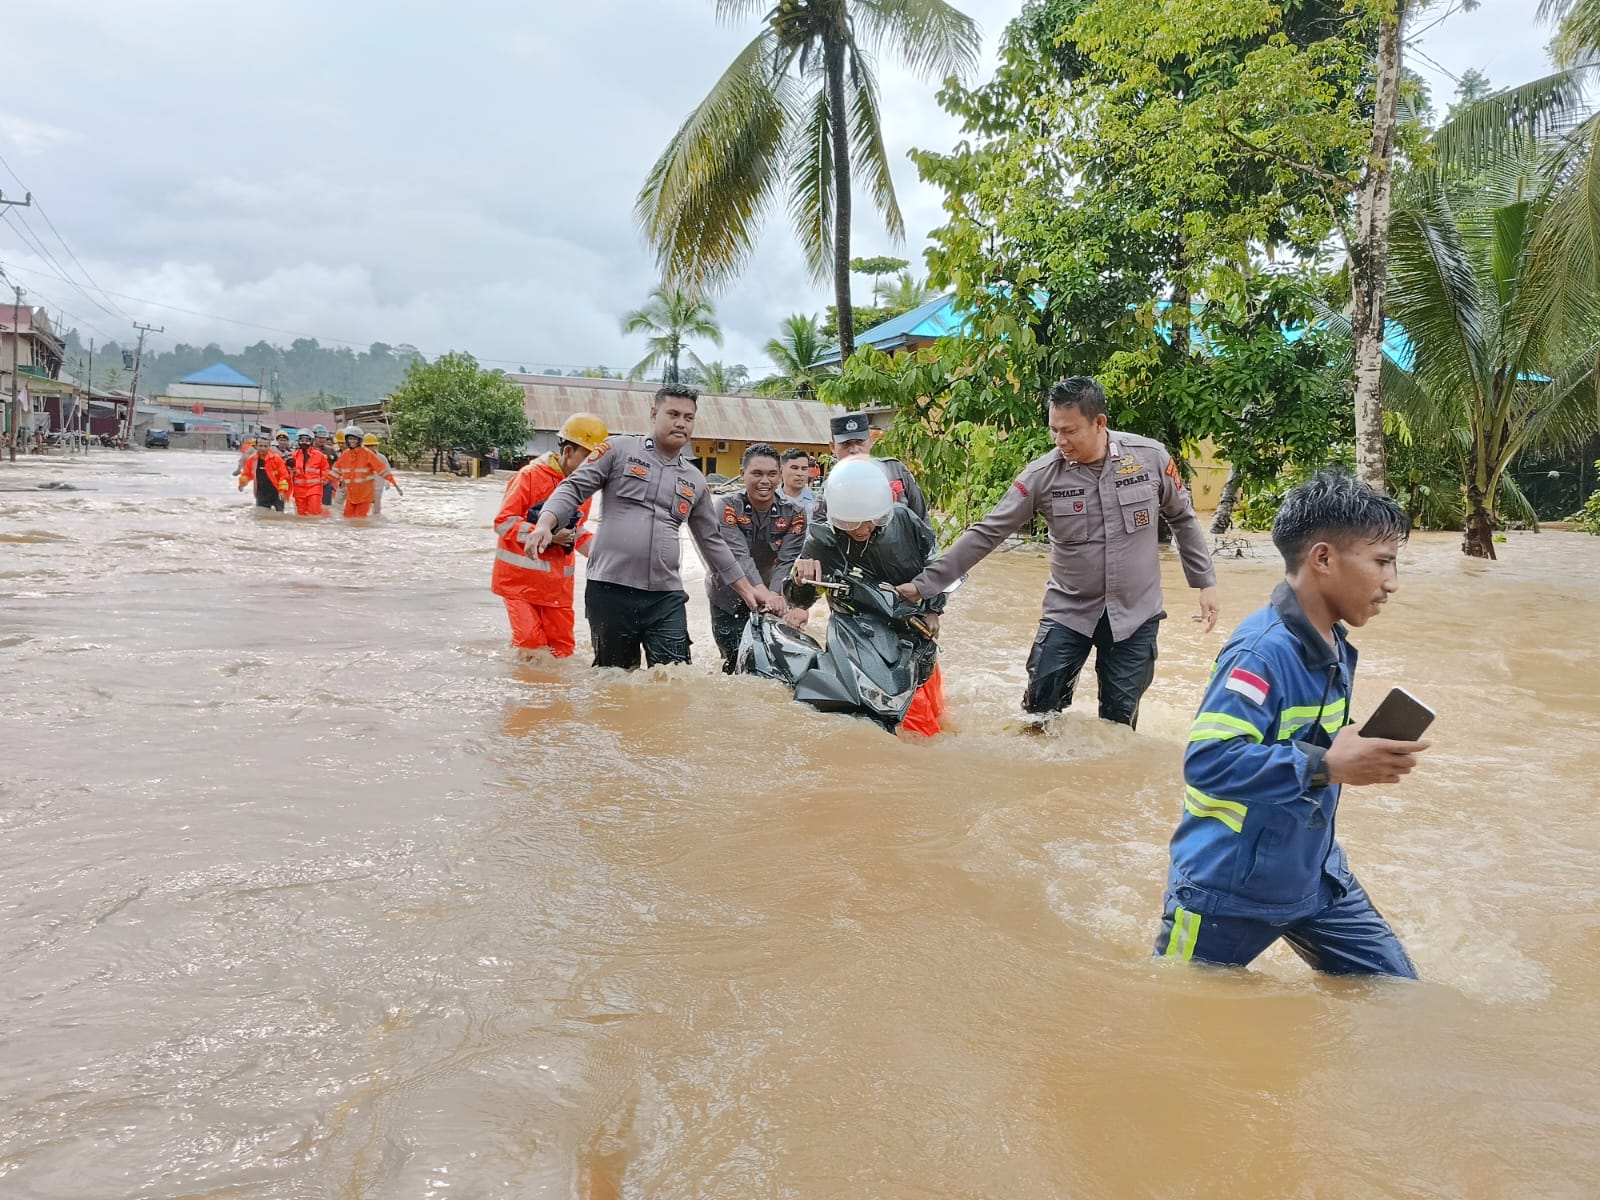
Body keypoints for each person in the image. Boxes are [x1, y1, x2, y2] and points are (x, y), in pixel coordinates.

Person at [1154, 471, 1426, 977]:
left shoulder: (1335, 645)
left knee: (1400, 997)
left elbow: (1310, 749)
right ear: (1322, 558)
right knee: (1180, 1015)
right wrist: (1328, 764)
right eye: (1383, 562)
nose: (1391, 583)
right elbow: (1208, 761)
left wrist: (1346, 755)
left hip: (1316, 879)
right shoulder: (1261, 653)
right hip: (1226, 889)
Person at [893, 377, 1218, 729]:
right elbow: (988, 533)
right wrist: (926, 585)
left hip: (1136, 615)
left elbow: (1183, 517)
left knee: (1118, 726)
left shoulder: (1149, 459)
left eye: (1070, 431)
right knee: (1039, 716)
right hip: (1069, 614)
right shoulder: (1042, 476)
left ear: (1099, 423)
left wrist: (1205, 583)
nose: (1061, 441)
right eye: (1054, 430)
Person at [526, 382, 787, 669]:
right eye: (673, 414)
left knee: (675, 678)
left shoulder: (694, 479)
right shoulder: (617, 450)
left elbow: (712, 543)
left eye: (688, 418)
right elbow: (573, 489)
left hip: (665, 596)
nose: (681, 423)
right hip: (610, 589)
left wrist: (747, 589)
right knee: (615, 680)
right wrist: (545, 524)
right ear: (653, 413)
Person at [785, 459, 948, 736]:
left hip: (913, 633)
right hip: (858, 637)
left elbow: (938, 567)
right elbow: (799, 599)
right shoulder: (822, 541)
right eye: (851, 522)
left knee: (937, 718)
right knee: (904, 728)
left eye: (869, 520)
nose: (861, 529)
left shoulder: (905, 522)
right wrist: (800, 580)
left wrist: (933, 609)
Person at [491, 413, 609, 658]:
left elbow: (577, 532)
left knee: (562, 651)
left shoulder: (583, 488)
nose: (594, 466)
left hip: (556, 589)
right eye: (588, 458)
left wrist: (607, 555)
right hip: (519, 585)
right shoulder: (529, 476)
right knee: (529, 646)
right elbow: (503, 522)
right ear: (567, 452)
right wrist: (546, 535)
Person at [708, 443, 809, 673]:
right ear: (742, 474)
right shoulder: (727, 507)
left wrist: (775, 596)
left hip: (775, 596)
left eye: (772, 474)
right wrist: (764, 594)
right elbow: (739, 556)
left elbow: (787, 560)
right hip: (728, 594)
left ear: (780, 475)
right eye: (757, 473)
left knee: (772, 663)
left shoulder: (794, 513)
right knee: (733, 662)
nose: (765, 480)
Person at [828, 411, 928, 522]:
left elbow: (922, 521)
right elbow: (820, 533)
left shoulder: (895, 471)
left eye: (860, 442)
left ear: (870, 441)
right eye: (846, 444)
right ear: (832, 447)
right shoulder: (830, 488)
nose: (854, 450)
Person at [329, 425, 402, 519]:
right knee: (347, 518)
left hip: (366, 494)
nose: (352, 441)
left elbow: (384, 471)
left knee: (362, 518)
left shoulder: (370, 455)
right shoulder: (346, 454)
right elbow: (337, 471)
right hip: (352, 494)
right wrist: (323, 481)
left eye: (354, 439)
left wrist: (393, 484)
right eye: (350, 439)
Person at [237, 435, 290, 511]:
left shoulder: (276, 459)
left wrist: (282, 491)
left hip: (277, 493)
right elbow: (246, 474)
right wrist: (241, 484)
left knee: (279, 517)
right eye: (260, 446)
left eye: (265, 446)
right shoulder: (252, 460)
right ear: (256, 446)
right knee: (261, 517)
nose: (263, 448)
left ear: (269, 447)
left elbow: (284, 476)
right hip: (261, 493)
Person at [287, 430, 331, 517]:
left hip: (314, 489)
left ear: (311, 441)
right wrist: (289, 467)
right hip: (299, 491)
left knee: (314, 513)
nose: (304, 442)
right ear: (298, 441)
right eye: (302, 440)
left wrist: (325, 479)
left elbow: (326, 469)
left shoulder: (319, 455)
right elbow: (290, 473)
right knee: (301, 516)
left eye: (306, 440)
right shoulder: (294, 456)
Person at [362, 433, 399, 515]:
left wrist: (388, 482)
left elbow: (387, 470)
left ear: (375, 446)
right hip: (364, 485)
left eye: (371, 445)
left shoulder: (381, 457)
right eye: (367, 446)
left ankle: (376, 519)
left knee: (376, 506)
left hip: (378, 485)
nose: (369, 448)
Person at [779, 448, 817, 520]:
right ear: (781, 470)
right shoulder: (770, 499)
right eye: (794, 468)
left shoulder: (816, 500)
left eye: (804, 469)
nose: (800, 474)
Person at [312, 425, 338, 508]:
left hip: (327, 482)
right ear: (314, 437)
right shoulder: (309, 450)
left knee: (326, 506)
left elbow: (337, 464)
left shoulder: (330, 450)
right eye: (319, 438)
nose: (322, 440)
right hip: (312, 482)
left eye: (324, 438)